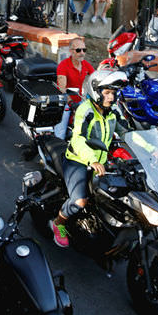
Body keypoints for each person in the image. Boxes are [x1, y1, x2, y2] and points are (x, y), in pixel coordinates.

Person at [50, 70, 128, 247]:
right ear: (95, 91)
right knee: (80, 200)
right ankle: (58, 224)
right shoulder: (85, 110)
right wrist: (92, 159)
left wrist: (150, 149)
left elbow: (128, 131)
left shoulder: (113, 111)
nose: (111, 97)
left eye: (113, 93)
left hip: (101, 162)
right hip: (77, 160)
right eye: (107, 92)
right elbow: (78, 139)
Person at [54, 38, 95, 139]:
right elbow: (62, 89)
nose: (82, 53)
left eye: (84, 50)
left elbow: (96, 78)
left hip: (79, 100)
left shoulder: (85, 65)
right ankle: (58, 147)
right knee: (60, 132)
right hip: (65, 102)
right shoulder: (63, 65)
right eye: (78, 50)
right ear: (71, 51)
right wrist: (71, 103)